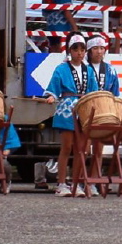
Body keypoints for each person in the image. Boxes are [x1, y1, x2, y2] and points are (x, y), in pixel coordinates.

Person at [43, 32, 99, 197]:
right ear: (69, 50)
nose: (79, 52)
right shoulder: (61, 69)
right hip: (67, 109)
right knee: (66, 147)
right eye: (76, 49)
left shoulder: (88, 70)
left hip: (83, 108)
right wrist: (52, 95)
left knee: (81, 149)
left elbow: (93, 91)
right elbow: (54, 87)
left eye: (82, 49)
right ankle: (61, 184)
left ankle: (76, 183)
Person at [85, 34, 120, 197]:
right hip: (87, 110)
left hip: (104, 110)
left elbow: (115, 93)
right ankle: (82, 179)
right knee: (84, 149)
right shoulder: (84, 68)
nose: (99, 52)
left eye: (101, 48)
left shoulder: (111, 70)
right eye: (95, 49)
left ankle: (94, 180)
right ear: (89, 51)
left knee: (98, 149)